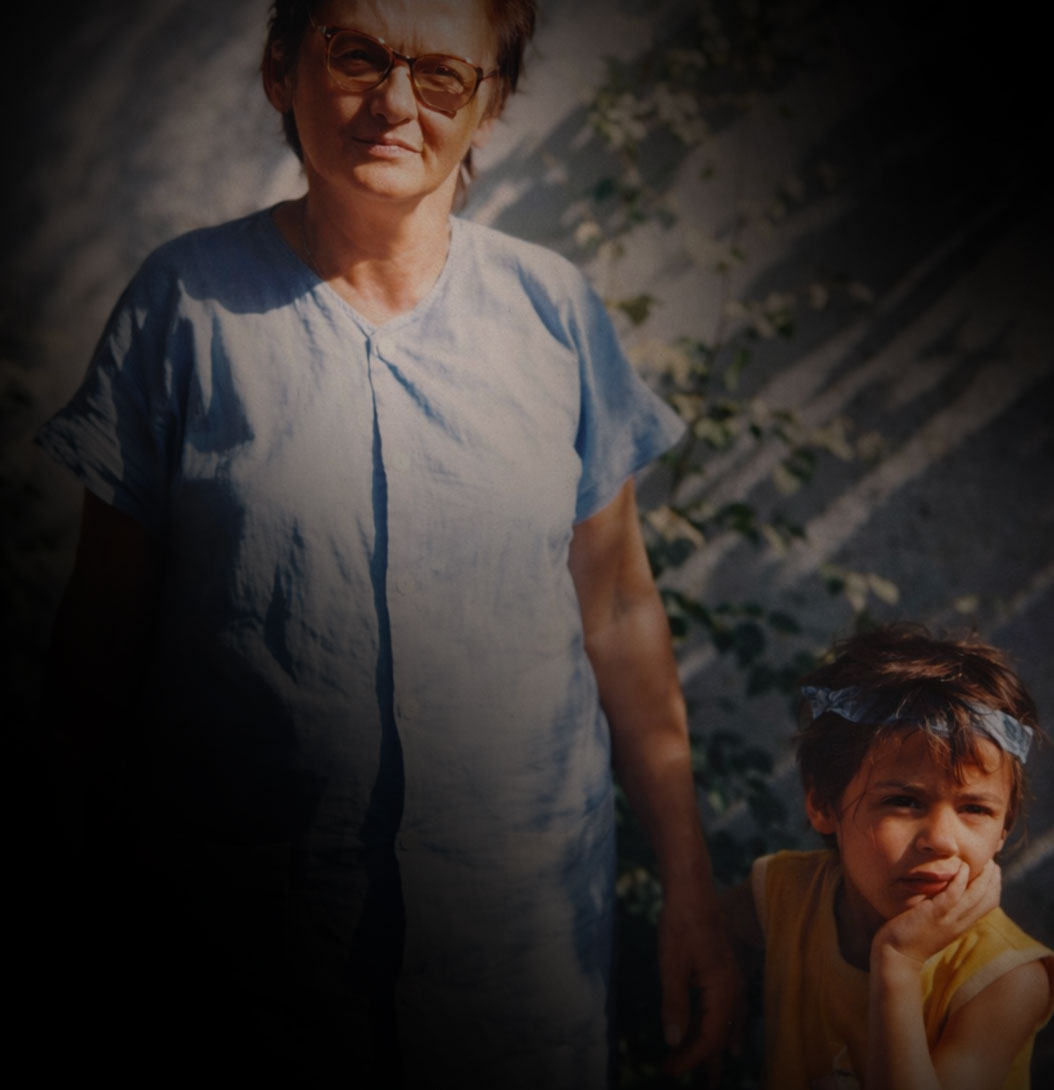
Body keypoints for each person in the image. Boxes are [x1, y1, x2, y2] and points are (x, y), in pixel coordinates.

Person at [36, 2, 740, 1087]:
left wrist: (687, 889)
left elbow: (616, 609)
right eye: (355, 54)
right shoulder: (183, 309)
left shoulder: (553, 314)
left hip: (517, 952)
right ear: (282, 71)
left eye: (443, 76)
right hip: (248, 946)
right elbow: (100, 639)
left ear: (488, 106)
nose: (396, 104)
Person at [723, 624, 1054, 1090]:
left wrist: (898, 962)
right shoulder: (786, 892)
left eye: (974, 808)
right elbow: (713, 933)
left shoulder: (1003, 977)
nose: (941, 840)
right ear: (822, 804)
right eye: (904, 802)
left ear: (1004, 828)